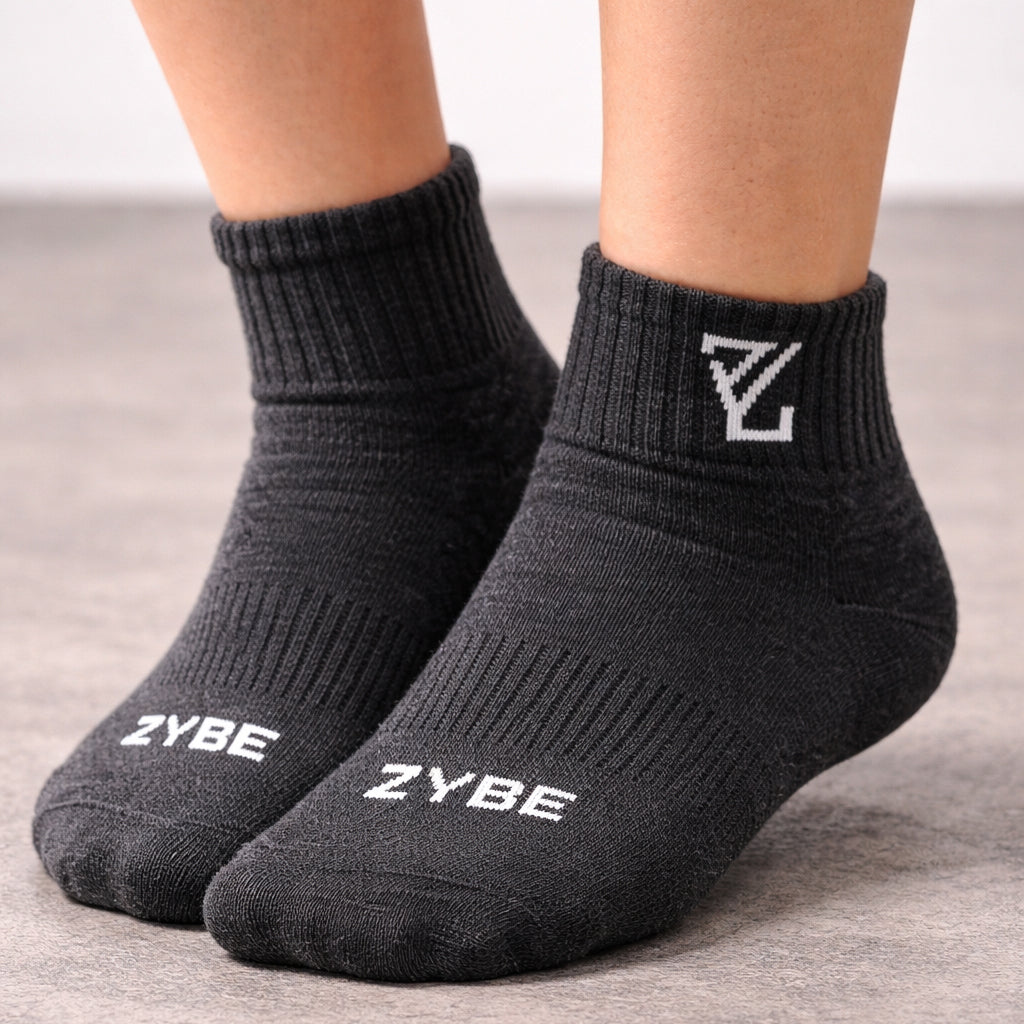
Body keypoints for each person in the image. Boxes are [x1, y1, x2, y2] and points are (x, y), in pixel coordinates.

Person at [32, 0, 956, 981]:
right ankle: (394, 414)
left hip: (753, 476)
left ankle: (726, 482)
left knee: (706, 457)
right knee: (372, 378)